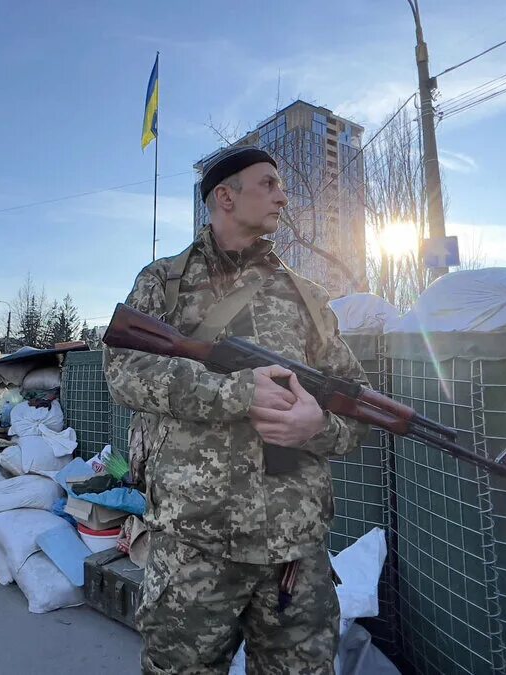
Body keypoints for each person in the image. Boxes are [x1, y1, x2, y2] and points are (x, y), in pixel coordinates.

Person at [104, 146, 371, 674]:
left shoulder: (308, 298)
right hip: (195, 543)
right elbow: (124, 372)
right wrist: (236, 393)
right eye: (267, 183)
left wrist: (318, 425)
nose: (283, 195)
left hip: (295, 551)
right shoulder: (166, 281)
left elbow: (357, 403)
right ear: (224, 197)